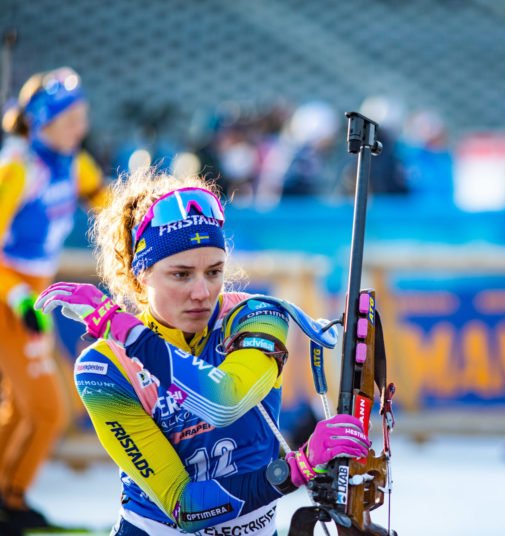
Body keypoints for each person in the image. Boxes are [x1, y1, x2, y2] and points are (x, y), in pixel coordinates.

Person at [34, 169, 370, 535]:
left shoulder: (254, 316)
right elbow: (185, 505)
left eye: (214, 271)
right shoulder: (106, 366)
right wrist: (297, 468)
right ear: (140, 275)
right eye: (181, 274)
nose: (202, 292)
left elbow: (224, 399)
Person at [0, 66, 106, 532]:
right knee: (49, 409)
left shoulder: (72, 163)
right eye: (71, 118)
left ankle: (9, 495)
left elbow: (107, 202)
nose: (81, 126)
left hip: (31, 296)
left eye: (82, 116)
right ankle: (14, 500)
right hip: (10, 298)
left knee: (29, 408)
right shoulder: (18, 169)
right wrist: (20, 298)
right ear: (44, 121)